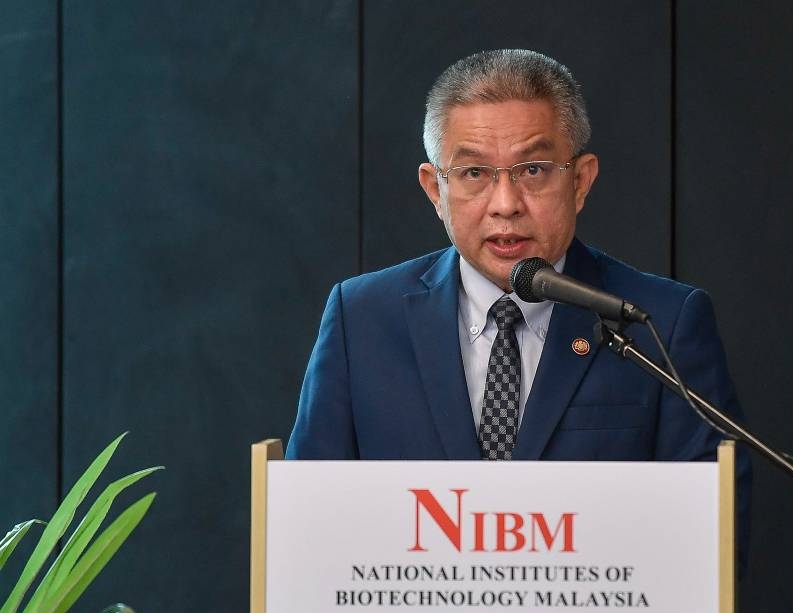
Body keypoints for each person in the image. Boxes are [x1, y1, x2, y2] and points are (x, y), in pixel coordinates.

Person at [287, 49, 751, 569]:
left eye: (532, 169)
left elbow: (710, 548)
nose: (505, 202)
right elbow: (309, 531)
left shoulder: (660, 321)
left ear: (580, 181)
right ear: (435, 189)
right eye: (473, 173)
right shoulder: (362, 319)